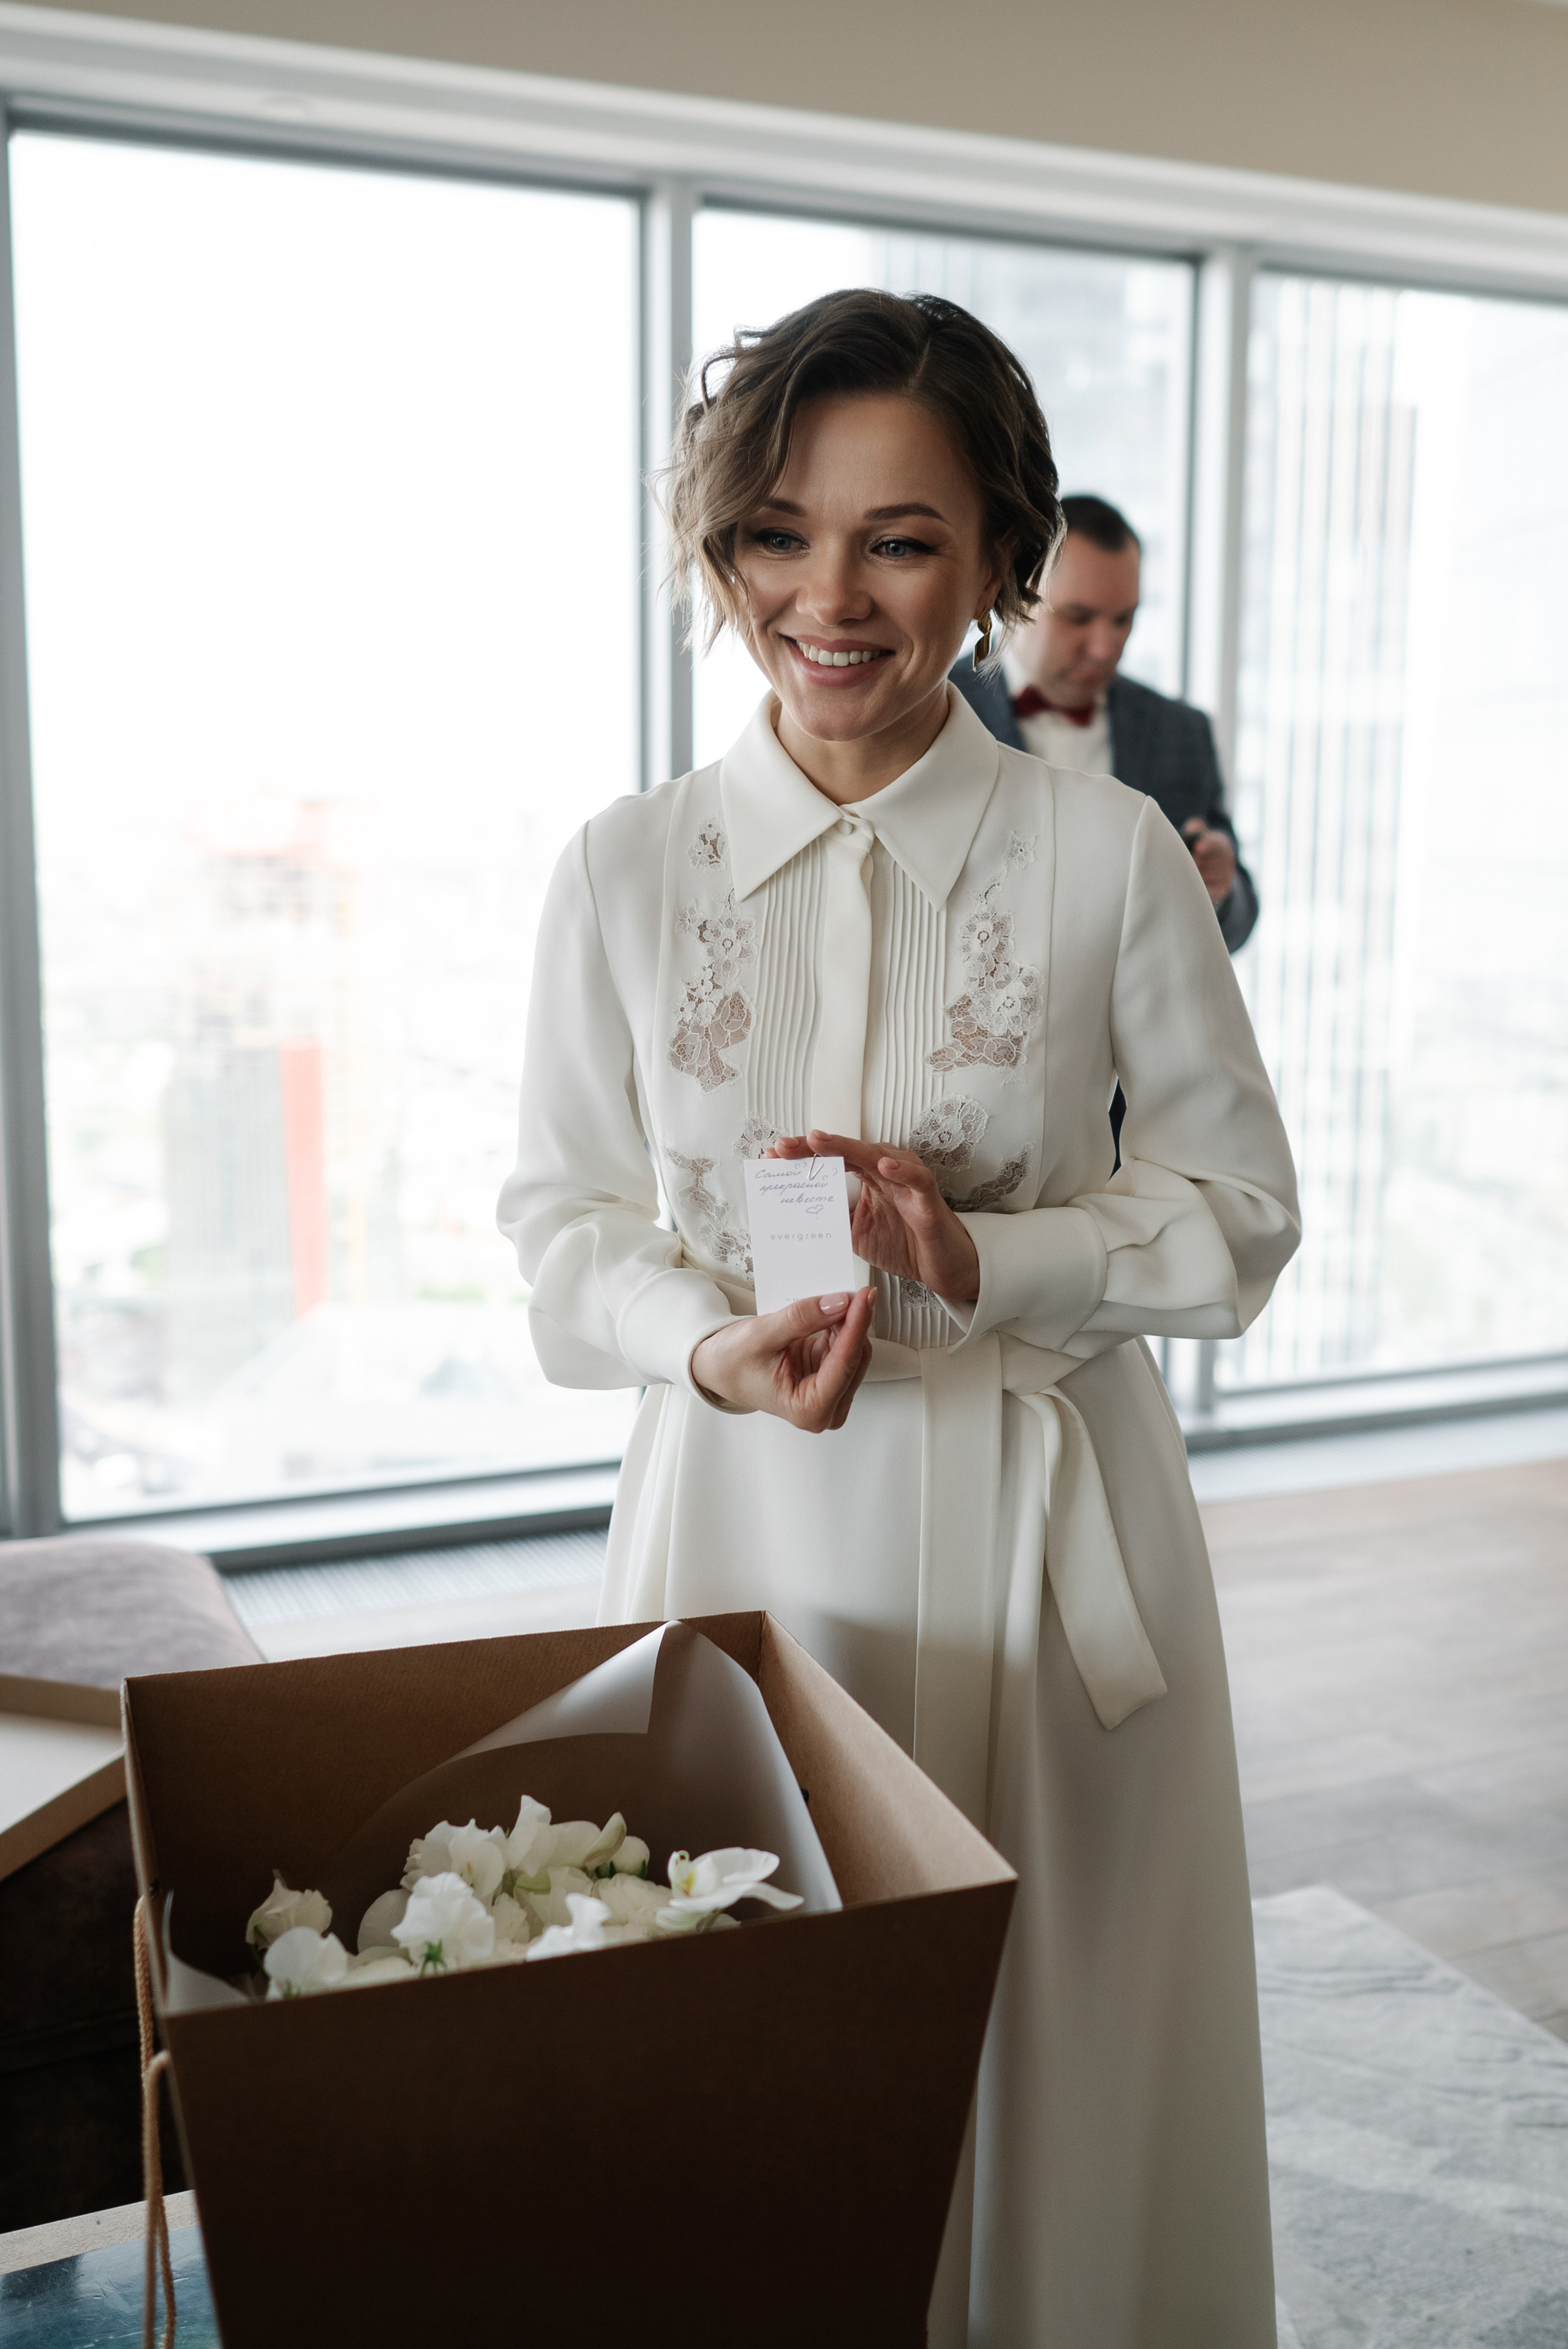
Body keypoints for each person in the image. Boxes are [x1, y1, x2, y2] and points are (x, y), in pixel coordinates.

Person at [500, 290, 1299, 2348]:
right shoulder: (621, 870)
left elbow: (1239, 1216)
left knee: (1056, 2052)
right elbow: (563, 1221)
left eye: (902, 539)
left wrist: (987, 1263)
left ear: (1000, 557)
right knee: (746, 2029)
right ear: (721, 548)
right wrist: (702, 1341)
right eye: (778, 531)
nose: (829, 597)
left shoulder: (1111, 854)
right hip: (740, 1531)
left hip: (1054, 1539)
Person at [950, 492, 1259, 952]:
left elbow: (1237, 924)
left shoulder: (1181, 732)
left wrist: (1220, 889)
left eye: (1123, 620)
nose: (1104, 647)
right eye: (1078, 618)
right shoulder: (932, 709)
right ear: (1016, 594)